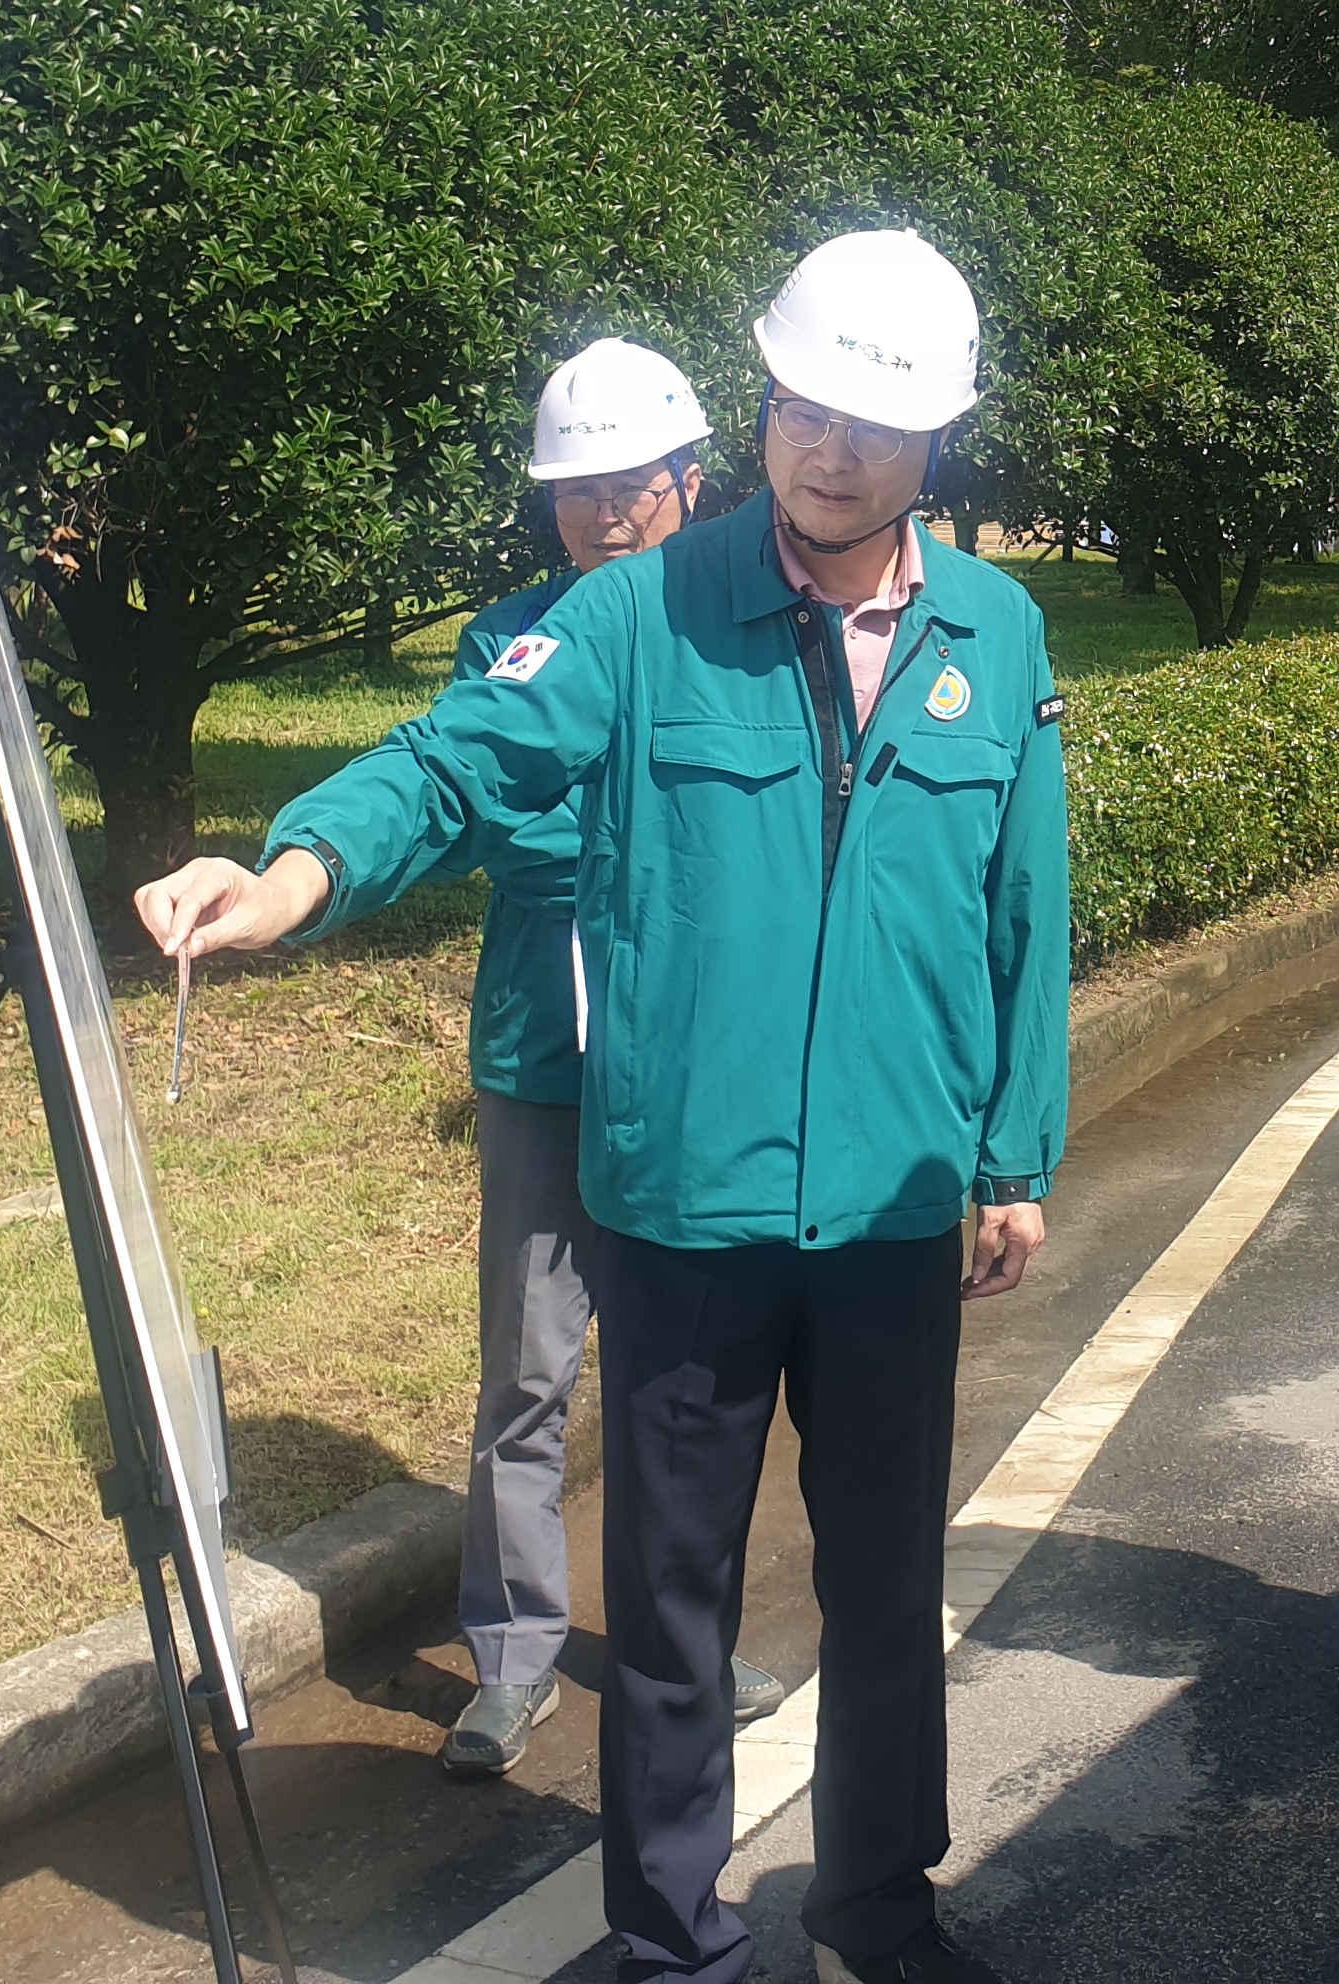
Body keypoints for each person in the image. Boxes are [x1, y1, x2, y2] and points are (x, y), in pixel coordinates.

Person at [134, 230, 1068, 1984]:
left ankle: (879, 1905)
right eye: (801, 405)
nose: (828, 448)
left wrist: (1015, 1147)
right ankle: (673, 1941)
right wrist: (292, 869)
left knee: (880, 1598)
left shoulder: (997, 629)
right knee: (668, 1613)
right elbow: (450, 755)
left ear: (934, 436)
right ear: (768, 405)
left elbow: (1026, 898)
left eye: (869, 419)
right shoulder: (635, 610)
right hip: (680, 1208)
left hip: (889, 1209)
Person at [427, 338, 786, 1777]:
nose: (600, 514)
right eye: (575, 490)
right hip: (542, 1061)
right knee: (527, 1368)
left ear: (688, 485)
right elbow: (506, 822)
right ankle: (510, 1655)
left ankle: (679, 1643)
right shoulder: (505, 643)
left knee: (676, 1379)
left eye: (628, 486)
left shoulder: (737, 638)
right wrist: (648, 837)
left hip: (687, 1067)